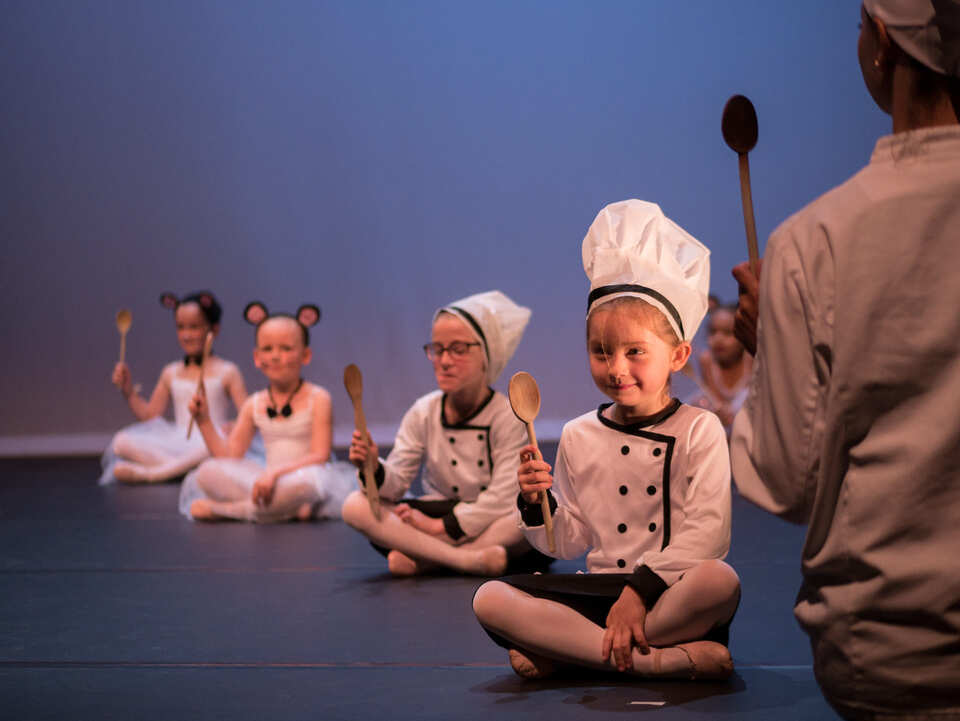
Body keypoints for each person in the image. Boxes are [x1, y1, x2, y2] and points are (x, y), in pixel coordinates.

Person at [730, 2, 960, 718]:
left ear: (883, 45)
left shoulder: (818, 241)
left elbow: (784, 479)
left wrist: (773, 351)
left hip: (893, 652)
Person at [473, 200, 740, 680]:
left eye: (635, 351)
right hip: (598, 593)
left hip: (668, 592)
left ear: (678, 355)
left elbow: (708, 535)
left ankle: (572, 652)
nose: (617, 368)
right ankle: (652, 661)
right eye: (601, 352)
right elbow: (567, 541)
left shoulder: (700, 430)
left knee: (720, 581)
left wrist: (637, 594)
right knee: (489, 597)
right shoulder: (578, 433)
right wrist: (537, 504)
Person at [341, 290, 541, 577]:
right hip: (440, 510)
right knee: (355, 506)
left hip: (490, 518)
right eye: (437, 349)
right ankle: (468, 561)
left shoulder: (506, 414)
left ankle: (424, 558)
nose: (444, 360)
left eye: (458, 349)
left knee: (528, 520)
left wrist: (440, 528)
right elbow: (396, 483)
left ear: (487, 355)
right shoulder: (424, 410)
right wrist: (373, 466)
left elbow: (502, 495)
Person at [179, 302, 354, 522]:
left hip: (304, 474)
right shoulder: (254, 403)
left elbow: (319, 455)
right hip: (267, 480)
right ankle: (286, 509)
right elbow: (230, 456)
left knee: (307, 485)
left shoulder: (319, 398)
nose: (275, 356)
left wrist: (274, 474)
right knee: (207, 472)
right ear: (257, 357)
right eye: (268, 349)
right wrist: (204, 421)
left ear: (305, 355)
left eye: (286, 348)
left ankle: (224, 510)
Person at [100, 291, 247, 485]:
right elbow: (150, 416)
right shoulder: (171, 371)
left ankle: (154, 473)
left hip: (209, 441)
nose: (186, 335)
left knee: (214, 444)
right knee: (121, 441)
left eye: (194, 327)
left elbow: (248, 415)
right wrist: (128, 390)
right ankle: (183, 470)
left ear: (214, 330)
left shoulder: (228, 371)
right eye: (180, 327)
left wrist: (235, 425)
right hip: (179, 441)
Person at [688, 303, 752, 434]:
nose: (718, 339)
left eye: (728, 333)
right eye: (712, 332)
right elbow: (712, 397)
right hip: (719, 418)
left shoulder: (750, 359)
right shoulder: (707, 360)